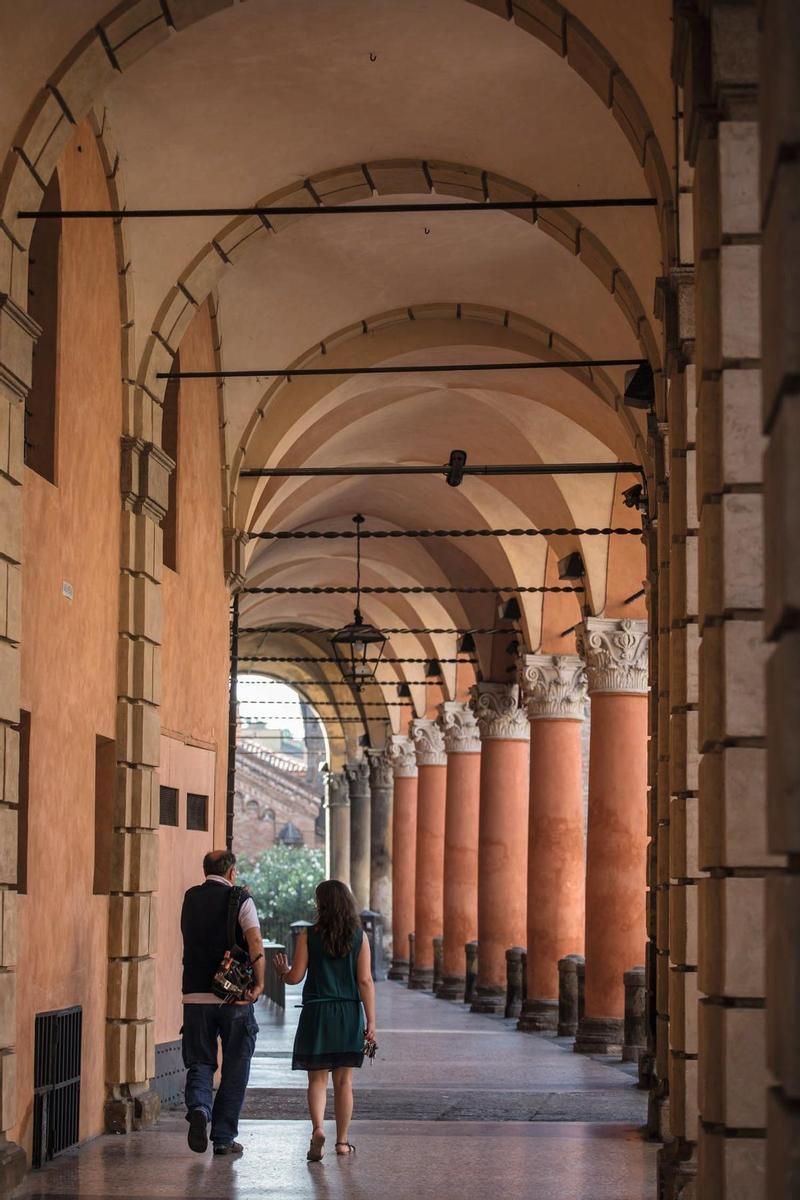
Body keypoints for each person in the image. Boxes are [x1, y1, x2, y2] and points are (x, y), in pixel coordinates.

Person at [273, 879, 376, 1161]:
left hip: (317, 1013)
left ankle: (318, 1129)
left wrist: (283, 971)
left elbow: (296, 977)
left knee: (317, 1080)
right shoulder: (359, 937)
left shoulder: (308, 935)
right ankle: (342, 1142)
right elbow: (365, 981)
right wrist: (372, 1021)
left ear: (321, 904)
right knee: (344, 1081)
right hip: (347, 1013)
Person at [180, 848, 265, 1156]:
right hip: (234, 998)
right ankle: (223, 1137)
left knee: (200, 1061)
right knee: (235, 1065)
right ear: (232, 872)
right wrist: (259, 984)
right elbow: (255, 941)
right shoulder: (241, 899)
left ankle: (200, 1107)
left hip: (195, 995)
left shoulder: (190, 898)